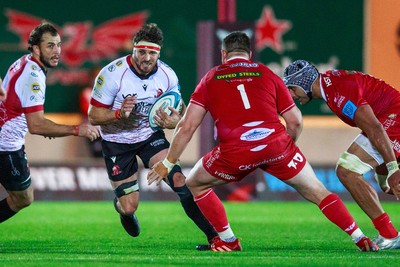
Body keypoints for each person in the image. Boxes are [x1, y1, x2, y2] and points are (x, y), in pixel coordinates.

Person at [147, 31, 378, 252]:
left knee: (195, 183)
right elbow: (295, 121)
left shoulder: (211, 77)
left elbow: (187, 127)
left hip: (235, 152)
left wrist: (168, 162)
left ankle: (228, 240)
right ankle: (360, 237)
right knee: (318, 191)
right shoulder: (267, 73)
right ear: (249, 55)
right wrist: (285, 147)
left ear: (223, 55)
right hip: (277, 145)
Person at [87, 23, 218, 249]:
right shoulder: (111, 74)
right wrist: (119, 113)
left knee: (180, 181)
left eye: (152, 53)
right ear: (134, 49)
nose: (147, 58)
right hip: (118, 143)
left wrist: (175, 120)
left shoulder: (167, 75)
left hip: (149, 137)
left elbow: (181, 108)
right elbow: (93, 116)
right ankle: (122, 208)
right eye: (142, 52)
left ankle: (215, 238)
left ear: (159, 52)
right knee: (129, 207)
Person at [282, 59, 400, 250]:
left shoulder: (339, 94)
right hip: (389, 117)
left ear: (304, 82)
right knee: (386, 184)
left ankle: (389, 234)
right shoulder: (330, 87)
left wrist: (393, 167)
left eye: (293, 88)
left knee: (347, 171)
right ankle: (389, 233)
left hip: (392, 119)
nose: (291, 95)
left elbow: (375, 128)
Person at [0, 22, 100, 224]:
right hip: (6, 145)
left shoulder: (25, 62)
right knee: (23, 197)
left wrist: (49, 127)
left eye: (59, 45)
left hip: (8, 140)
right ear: (36, 48)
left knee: (24, 196)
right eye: (50, 46)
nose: (57, 51)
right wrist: (77, 129)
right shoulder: (33, 76)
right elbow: (36, 125)